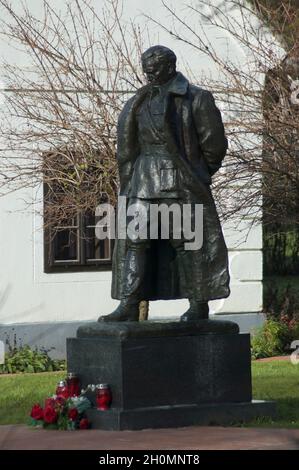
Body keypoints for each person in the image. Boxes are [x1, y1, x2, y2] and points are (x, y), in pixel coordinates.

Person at [99, 45, 230, 322]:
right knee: (135, 241)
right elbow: (129, 144)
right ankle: (129, 303)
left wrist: (196, 173)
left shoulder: (196, 98)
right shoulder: (140, 99)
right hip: (142, 181)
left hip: (178, 181)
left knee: (188, 243)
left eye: (154, 69)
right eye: (146, 69)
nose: (148, 74)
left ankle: (198, 304)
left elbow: (214, 146)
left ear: (170, 67)